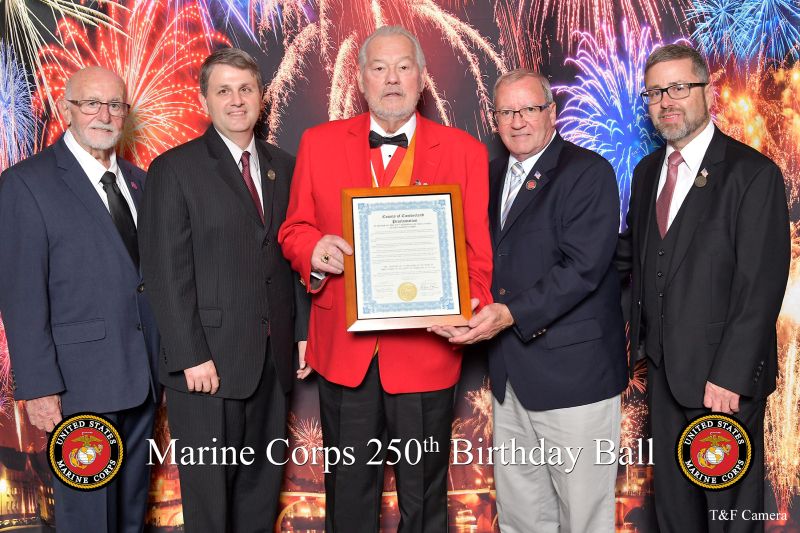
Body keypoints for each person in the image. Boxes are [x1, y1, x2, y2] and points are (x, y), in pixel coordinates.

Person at [278, 25, 493, 533]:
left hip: (426, 353)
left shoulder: (464, 151)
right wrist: (314, 250)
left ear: (422, 78)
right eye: (379, 67)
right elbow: (292, 230)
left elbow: (477, 258)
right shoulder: (319, 143)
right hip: (345, 355)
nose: (391, 79)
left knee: (424, 499)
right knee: (349, 497)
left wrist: (467, 304)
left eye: (403, 67)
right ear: (360, 79)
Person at [435, 68, 627, 532]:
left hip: (573, 380)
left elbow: (583, 269)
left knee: (583, 517)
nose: (518, 121)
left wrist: (509, 314)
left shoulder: (587, 172)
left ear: (552, 114)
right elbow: (474, 255)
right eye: (507, 111)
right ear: (495, 119)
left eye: (530, 109)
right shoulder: (490, 174)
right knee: (522, 516)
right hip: (510, 378)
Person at [616, 44, 790, 532]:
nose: (666, 101)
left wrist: (731, 377)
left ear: (707, 92)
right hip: (666, 377)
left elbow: (761, 286)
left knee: (730, 519)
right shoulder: (649, 171)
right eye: (655, 92)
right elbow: (635, 256)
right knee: (677, 515)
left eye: (678, 88)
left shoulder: (752, 175)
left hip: (722, 385)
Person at [138, 47, 309, 533]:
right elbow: (165, 271)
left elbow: (293, 254)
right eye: (224, 91)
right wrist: (191, 354)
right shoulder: (174, 169)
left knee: (259, 497)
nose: (237, 100)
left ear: (261, 96)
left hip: (273, 363)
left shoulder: (285, 165)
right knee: (210, 507)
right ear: (205, 100)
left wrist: (301, 330)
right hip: (206, 368)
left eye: (246, 89)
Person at [0, 66, 159, 533]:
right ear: (68, 108)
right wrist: (39, 389)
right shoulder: (26, 184)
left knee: (131, 514)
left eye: (114, 105)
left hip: (141, 380)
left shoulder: (140, 183)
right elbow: (21, 297)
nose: (104, 115)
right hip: (78, 389)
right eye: (91, 103)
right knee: (87, 520)